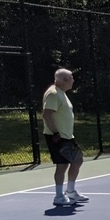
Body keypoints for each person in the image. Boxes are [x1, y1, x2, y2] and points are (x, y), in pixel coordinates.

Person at [41, 68, 89, 207]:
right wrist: (56, 133)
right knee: (62, 165)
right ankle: (58, 196)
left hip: (66, 136)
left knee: (77, 159)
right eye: (71, 78)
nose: (73, 80)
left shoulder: (61, 93)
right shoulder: (54, 93)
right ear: (65, 80)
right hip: (56, 136)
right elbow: (47, 114)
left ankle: (71, 191)